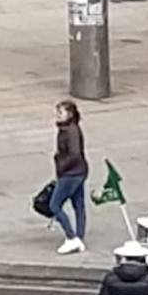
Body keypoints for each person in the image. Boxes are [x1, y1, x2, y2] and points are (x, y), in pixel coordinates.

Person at [50, 100, 88, 255]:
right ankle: (79, 236)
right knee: (78, 205)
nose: (57, 116)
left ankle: (71, 237)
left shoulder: (70, 131)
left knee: (54, 205)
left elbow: (74, 154)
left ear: (69, 114)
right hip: (79, 171)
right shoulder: (69, 129)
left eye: (61, 113)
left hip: (70, 173)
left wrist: (61, 166)